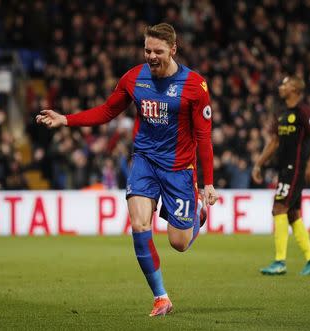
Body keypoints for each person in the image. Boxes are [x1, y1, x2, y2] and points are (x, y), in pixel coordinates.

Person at [36, 23, 218, 316]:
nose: (151, 56)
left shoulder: (195, 86)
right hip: (144, 161)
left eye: (158, 51)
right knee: (139, 225)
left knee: (179, 243)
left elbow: (203, 137)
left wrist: (208, 183)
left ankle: (198, 212)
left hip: (179, 169)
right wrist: (65, 120)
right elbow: (107, 111)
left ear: (173, 49)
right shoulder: (134, 78)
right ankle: (161, 297)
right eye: (147, 50)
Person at [252, 75, 310, 276]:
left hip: (297, 168)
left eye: (286, 84)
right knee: (293, 214)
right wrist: (258, 164)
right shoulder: (282, 113)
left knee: (278, 208)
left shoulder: (304, 111)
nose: (281, 87)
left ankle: (280, 261)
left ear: (295, 89)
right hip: (285, 168)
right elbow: (274, 142)